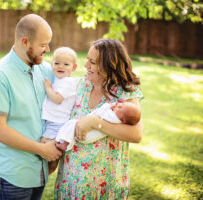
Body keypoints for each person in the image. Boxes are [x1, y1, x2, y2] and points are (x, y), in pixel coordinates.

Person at [0, 14, 62, 200]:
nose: (48, 49)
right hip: (12, 176)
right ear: (25, 41)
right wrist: (43, 150)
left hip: (39, 172)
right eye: (43, 45)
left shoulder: (45, 72)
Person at [54, 39, 144, 200]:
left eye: (93, 62)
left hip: (105, 182)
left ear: (109, 66)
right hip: (73, 180)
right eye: (88, 59)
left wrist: (95, 122)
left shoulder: (125, 93)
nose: (85, 65)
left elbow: (136, 134)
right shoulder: (80, 86)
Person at [56, 101, 141, 151]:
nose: (117, 105)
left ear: (123, 120)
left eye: (120, 108)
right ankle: (64, 141)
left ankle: (66, 143)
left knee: (72, 125)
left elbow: (101, 113)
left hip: (88, 135)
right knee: (71, 126)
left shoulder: (114, 119)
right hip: (88, 135)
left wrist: (108, 106)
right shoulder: (117, 116)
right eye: (121, 104)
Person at [40, 47, 78, 146]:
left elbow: (57, 99)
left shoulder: (68, 82)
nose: (61, 66)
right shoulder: (59, 80)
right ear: (52, 65)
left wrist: (48, 88)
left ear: (73, 68)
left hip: (57, 123)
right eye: (57, 63)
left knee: (45, 144)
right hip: (53, 121)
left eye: (66, 64)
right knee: (50, 146)